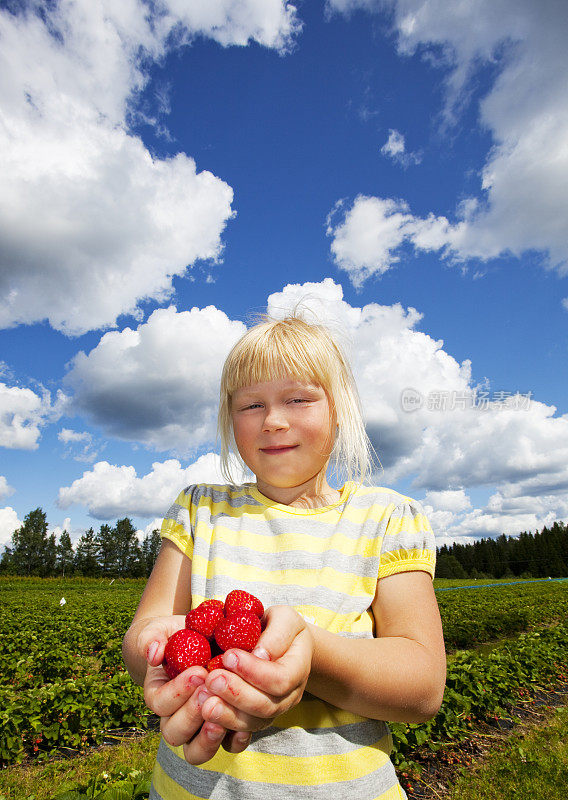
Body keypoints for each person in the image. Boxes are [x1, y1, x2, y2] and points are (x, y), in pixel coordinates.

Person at [122, 312, 446, 800]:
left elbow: (422, 687)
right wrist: (158, 650)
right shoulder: (200, 510)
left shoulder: (387, 519)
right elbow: (144, 635)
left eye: (298, 398)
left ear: (340, 410)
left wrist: (311, 653)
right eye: (251, 404)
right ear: (230, 419)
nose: (273, 420)